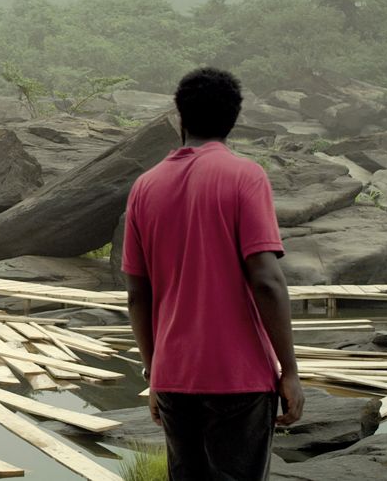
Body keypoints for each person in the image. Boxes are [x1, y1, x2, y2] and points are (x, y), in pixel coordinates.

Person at [123, 67, 304, 481]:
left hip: (174, 376)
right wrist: (289, 371)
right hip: (239, 378)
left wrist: (155, 370)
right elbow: (266, 280)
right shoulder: (245, 176)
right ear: (233, 119)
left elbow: (137, 294)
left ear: (180, 117)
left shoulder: (145, 187)